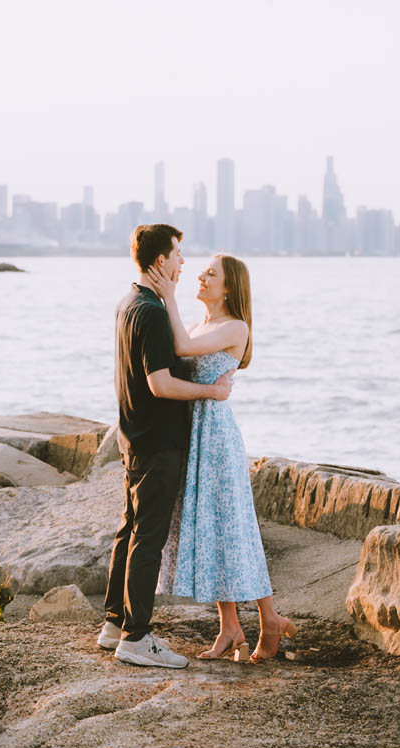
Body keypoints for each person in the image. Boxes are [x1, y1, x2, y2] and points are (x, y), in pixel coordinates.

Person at [99, 224, 235, 669]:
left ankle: (115, 624)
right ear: (161, 261)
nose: (183, 263)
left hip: (133, 436)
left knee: (130, 530)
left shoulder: (128, 302)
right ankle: (137, 637)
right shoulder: (153, 311)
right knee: (147, 538)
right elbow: (160, 384)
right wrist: (211, 393)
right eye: (178, 254)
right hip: (156, 441)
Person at [151, 253, 297, 664]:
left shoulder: (235, 326)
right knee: (214, 527)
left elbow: (181, 347)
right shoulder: (203, 325)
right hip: (197, 433)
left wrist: (168, 296)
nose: (201, 275)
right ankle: (232, 626)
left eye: (211, 273)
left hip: (215, 436)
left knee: (234, 527)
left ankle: (267, 619)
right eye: (203, 270)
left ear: (229, 286)